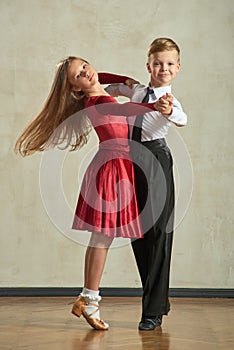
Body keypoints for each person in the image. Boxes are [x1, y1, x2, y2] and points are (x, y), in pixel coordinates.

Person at [14, 56, 160, 330]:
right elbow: (127, 110)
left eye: (85, 66)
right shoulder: (100, 101)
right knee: (102, 238)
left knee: (102, 237)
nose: (87, 73)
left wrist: (122, 79)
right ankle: (88, 299)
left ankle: (88, 298)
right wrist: (154, 106)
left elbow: (100, 75)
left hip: (114, 164)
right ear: (76, 89)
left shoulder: (93, 93)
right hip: (113, 169)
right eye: (79, 76)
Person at [106, 37, 188, 330]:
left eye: (169, 64)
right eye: (158, 63)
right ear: (149, 65)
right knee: (137, 233)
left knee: (158, 234)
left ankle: (151, 311)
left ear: (177, 68)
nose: (163, 68)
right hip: (130, 160)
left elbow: (182, 118)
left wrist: (168, 111)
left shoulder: (169, 100)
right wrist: (85, 89)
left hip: (155, 160)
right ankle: (157, 300)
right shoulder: (138, 90)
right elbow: (111, 86)